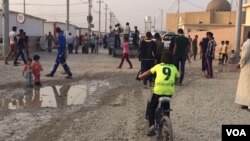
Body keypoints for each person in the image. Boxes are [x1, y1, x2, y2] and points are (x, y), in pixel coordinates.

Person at [138, 51, 180, 136]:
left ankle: (152, 126)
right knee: (166, 106)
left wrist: (140, 77)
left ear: (162, 59)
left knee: (151, 107)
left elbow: (147, 73)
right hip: (169, 92)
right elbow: (177, 77)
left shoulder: (158, 66)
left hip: (158, 91)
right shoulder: (174, 67)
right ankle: (166, 121)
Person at [235, 31, 250, 110]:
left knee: (247, 86)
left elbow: (245, 56)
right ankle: (244, 102)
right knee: (245, 85)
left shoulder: (247, 44)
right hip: (247, 67)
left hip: (247, 67)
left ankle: (247, 103)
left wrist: (240, 64)